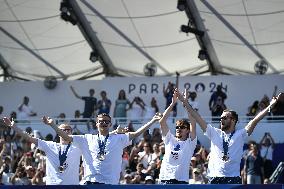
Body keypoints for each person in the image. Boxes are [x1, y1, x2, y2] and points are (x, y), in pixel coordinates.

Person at [184, 90, 281, 184]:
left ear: (233, 120)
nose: (222, 120)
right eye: (221, 118)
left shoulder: (240, 134)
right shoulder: (213, 132)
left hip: (233, 179)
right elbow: (197, 117)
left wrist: (270, 106)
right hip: (214, 179)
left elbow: (255, 120)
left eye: (225, 118)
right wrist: (186, 103)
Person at [47, 112, 162, 184]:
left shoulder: (119, 138)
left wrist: (153, 120)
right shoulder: (86, 138)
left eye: (106, 121)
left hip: (110, 183)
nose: (104, 123)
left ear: (110, 124)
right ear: (96, 124)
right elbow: (66, 137)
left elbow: (137, 133)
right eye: (101, 121)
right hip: (90, 182)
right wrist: (52, 124)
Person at [2, 117, 82, 185]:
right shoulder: (50, 145)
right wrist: (13, 127)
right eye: (64, 130)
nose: (67, 131)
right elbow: (29, 138)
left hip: (72, 185)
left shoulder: (78, 146)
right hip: (53, 185)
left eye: (69, 130)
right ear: (58, 132)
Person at [158, 89, 197, 184]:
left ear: (187, 130)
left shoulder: (190, 142)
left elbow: (193, 122)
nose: (179, 129)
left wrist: (185, 102)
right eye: (177, 127)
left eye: (182, 127)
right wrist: (173, 103)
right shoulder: (169, 139)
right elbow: (162, 121)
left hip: (181, 182)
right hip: (164, 180)